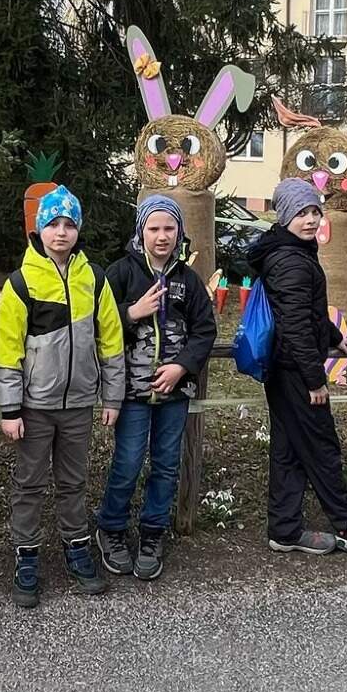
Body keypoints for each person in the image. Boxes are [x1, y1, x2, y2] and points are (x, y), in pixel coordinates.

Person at [0, 185, 125, 609]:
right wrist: (10, 408)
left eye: (69, 224)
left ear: (78, 229)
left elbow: (112, 342)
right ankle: (26, 554)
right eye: (53, 224)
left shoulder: (95, 278)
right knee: (29, 483)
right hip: (34, 406)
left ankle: (77, 547)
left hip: (80, 403)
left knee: (73, 481)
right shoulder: (21, 282)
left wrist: (113, 396)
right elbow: (7, 349)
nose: (61, 232)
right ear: (39, 229)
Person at [247, 178, 347, 557]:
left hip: (285, 369)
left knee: (288, 448)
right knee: (320, 446)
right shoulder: (290, 259)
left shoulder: (291, 250)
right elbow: (295, 326)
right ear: (285, 216)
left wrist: (332, 334)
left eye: (315, 211)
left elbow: (306, 310)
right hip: (297, 371)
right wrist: (316, 380)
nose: (311, 219)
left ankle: (284, 529)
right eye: (301, 213)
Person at [96, 193, 216, 580]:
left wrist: (182, 367)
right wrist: (131, 313)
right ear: (140, 231)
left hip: (173, 396)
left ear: (180, 232)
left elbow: (205, 330)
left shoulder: (188, 280)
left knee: (166, 466)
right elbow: (97, 324)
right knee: (128, 463)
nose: (161, 236)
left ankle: (152, 534)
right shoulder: (121, 273)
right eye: (154, 228)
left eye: (169, 228)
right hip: (130, 394)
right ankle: (111, 530)